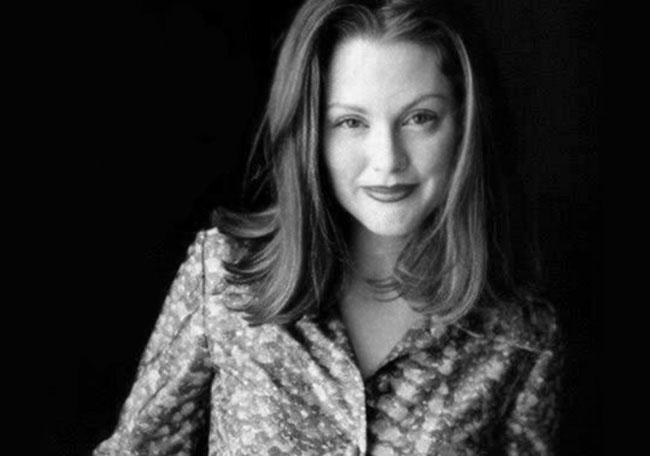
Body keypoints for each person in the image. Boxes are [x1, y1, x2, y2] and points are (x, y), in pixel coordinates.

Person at [94, 0, 564, 454]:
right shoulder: (223, 278)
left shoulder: (520, 335)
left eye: (420, 118)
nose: (388, 160)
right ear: (311, 134)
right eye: (351, 122)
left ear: (463, 125)